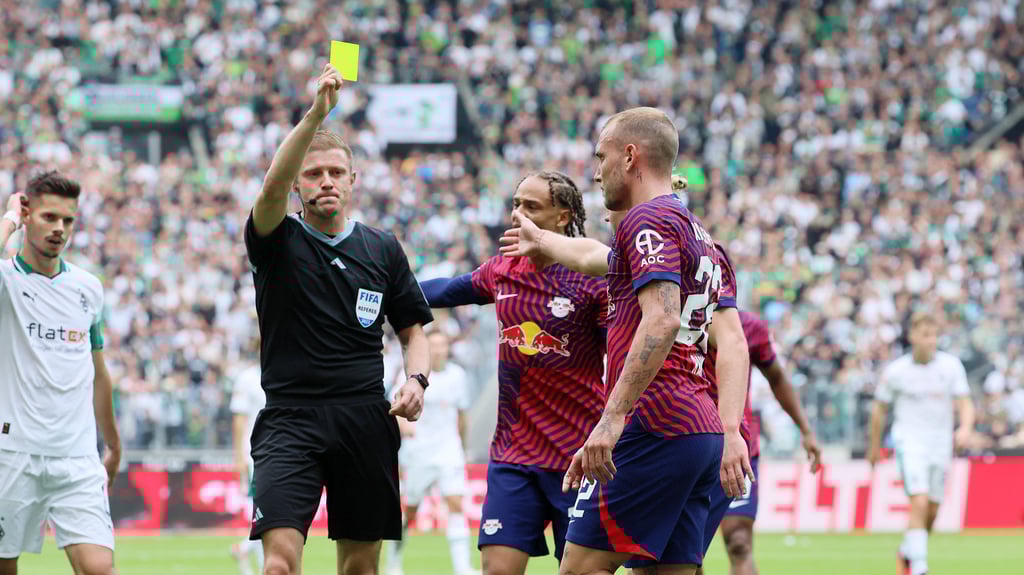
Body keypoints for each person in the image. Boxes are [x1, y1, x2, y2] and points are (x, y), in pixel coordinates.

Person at [501, 108, 753, 575]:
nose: (596, 173)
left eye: (601, 157)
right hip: (700, 432)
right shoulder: (701, 236)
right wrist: (732, 429)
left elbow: (661, 321)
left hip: (654, 421)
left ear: (630, 155)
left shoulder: (646, 221)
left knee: (580, 567)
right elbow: (733, 341)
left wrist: (610, 420)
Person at [243, 63, 434, 575]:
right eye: (312, 173)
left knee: (359, 569)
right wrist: (315, 115)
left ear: (352, 180)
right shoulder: (277, 238)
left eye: (334, 173)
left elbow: (415, 331)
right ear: (297, 185)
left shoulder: (382, 248)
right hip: (289, 418)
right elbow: (267, 193)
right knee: (279, 565)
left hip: (365, 418)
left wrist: (416, 379)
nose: (324, 182)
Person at [418, 171, 608, 575]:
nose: (517, 214)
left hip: (576, 455)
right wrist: (381, 287)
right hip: (514, 454)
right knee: (497, 570)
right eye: (516, 204)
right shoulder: (504, 268)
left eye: (531, 207)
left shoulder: (591, 280)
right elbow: (446, 291)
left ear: (562, 216)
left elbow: (625, 356)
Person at [0, 172, 122, 575]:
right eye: (49, 217)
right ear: (28, 214)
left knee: (99, 569)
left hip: (77, 456)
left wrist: (114, 443)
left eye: (68, 221)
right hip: (13, 453)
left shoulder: (87, 288)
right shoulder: (6, 281)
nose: (59, 229)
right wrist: (8, 220)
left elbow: (98, 372)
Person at [697, 243, 822, 575]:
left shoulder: (749, 327)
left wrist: (806, 431)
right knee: (685, 549)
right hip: (689, 443)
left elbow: (778, 377)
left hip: (738, 446)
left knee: (738, 539)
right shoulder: (672, 320)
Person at [868, 311, 974, 575]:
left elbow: (965, 403)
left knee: (933, 510)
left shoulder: (950, 366)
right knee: (920, 501)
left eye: (934, 335)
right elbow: (879, 410)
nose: (931, 341)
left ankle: (907, 551)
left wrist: (965, 428)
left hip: (941, 444)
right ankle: (919, 567)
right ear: (912, 336)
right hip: (909, 441)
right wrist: (874, 447)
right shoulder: (896, 372)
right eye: (925, 335)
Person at [386, 329, 477, 575]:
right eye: (433, 346)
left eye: (442, 345)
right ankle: (393, 563)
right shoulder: (411, 377)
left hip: (449, 450)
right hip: (419, 453)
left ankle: (463, 568)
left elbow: (462, 416)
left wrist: (462, 445)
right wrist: (405, 428)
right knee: (410, 511)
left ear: (448, 348)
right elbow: (395, 409)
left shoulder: (457, 376)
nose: (438, 350)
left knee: (456, 503)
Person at [229, 339, 267, 575]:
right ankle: (258, 560)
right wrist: (238, 457)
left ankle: (244, 549)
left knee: (266, 512)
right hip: (255, 454)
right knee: (265, 512)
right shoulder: (247, 379)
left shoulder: (283, 374)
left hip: (277, 451)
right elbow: (239, 420)